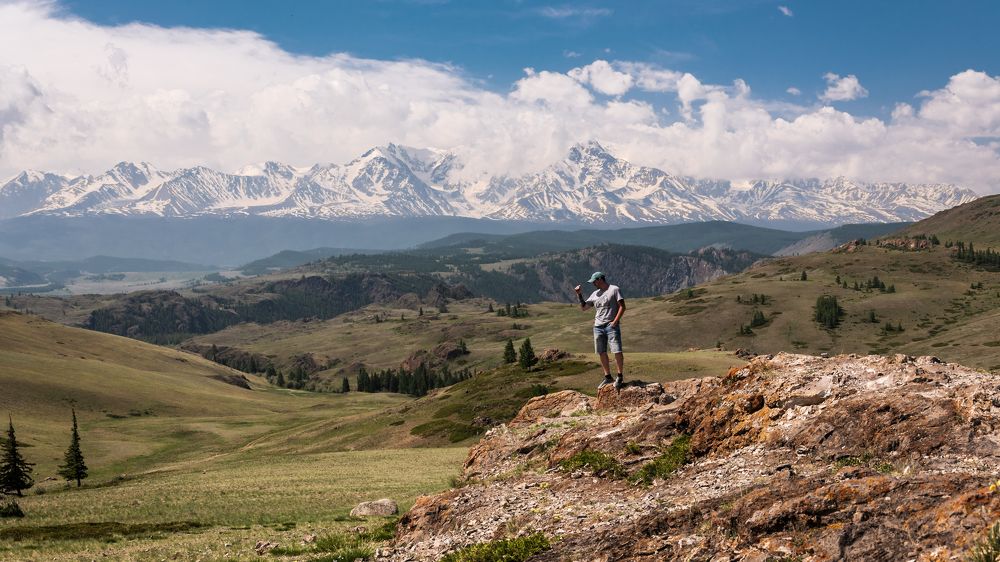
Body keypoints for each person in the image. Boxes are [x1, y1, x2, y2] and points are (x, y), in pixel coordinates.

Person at [574, 271, 626, 390]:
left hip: (611, 324)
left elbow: (622, 306)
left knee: (616, 350)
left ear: (600, 280)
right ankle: (607, 377)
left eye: (594, 281)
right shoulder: (595, 294)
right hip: (598, 326)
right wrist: (579, 294)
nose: (593, 284)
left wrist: (615, 321)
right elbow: (584, 308)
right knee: (601, 352)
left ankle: (619, 376)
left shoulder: (614, 289)